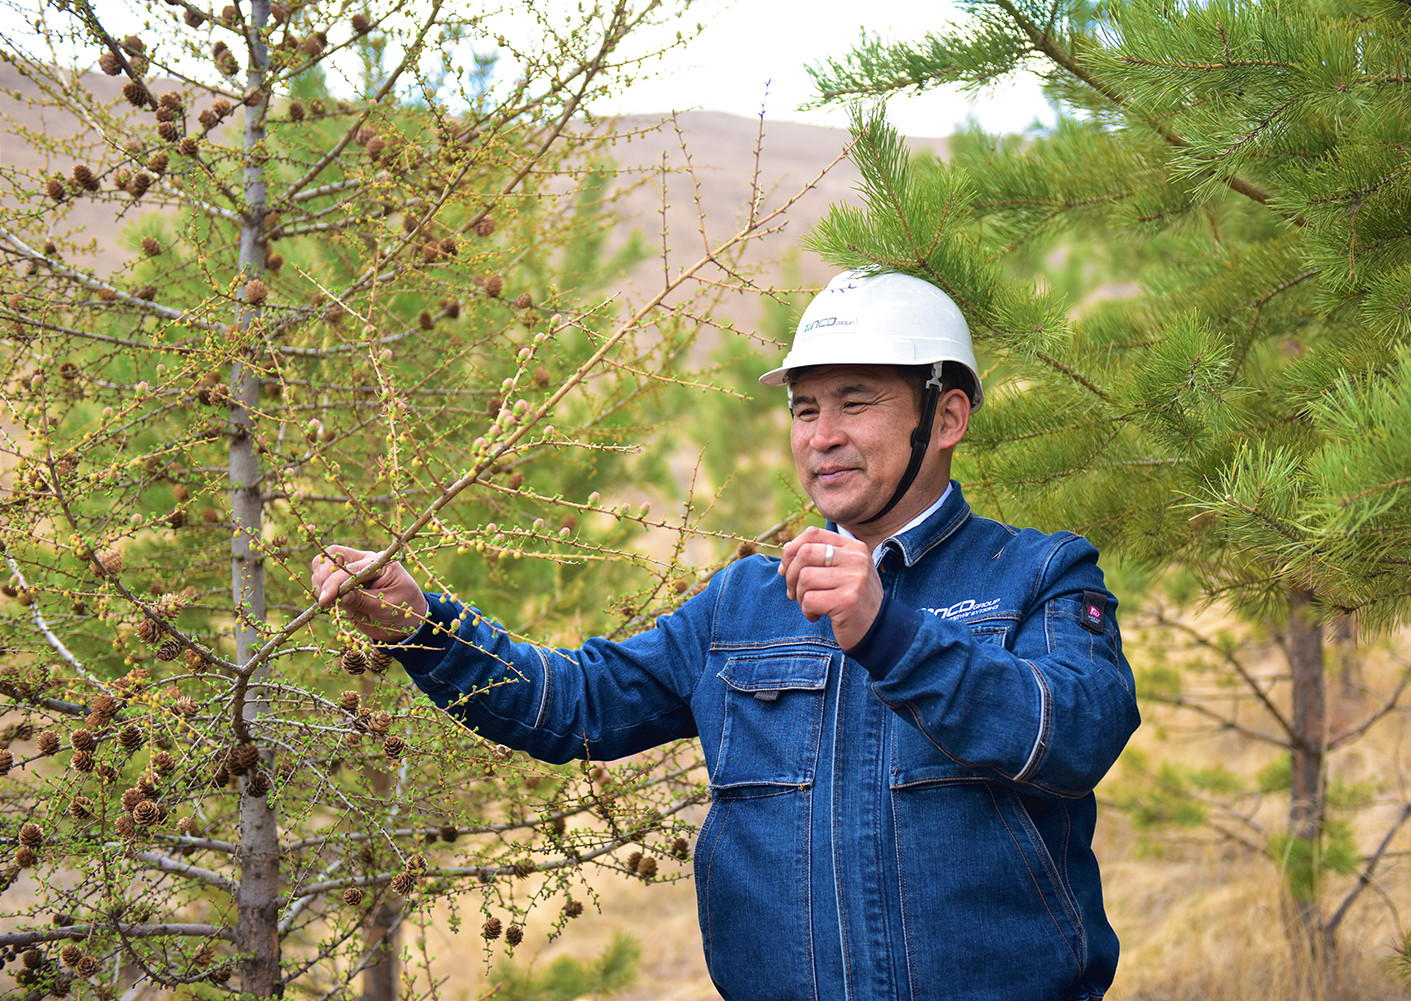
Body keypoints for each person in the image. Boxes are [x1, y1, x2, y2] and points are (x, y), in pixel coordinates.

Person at [312, 269, 1140, 1001]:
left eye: (856, 401)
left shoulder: (1040, 573)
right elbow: (575, 704)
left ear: (947, 416)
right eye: (805, 408)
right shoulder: (743, 601)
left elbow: (1074, 732)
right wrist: (425, 629)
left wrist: (890, 633)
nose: (821, 435)